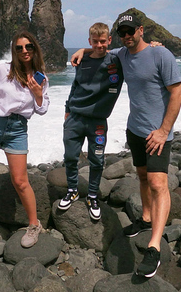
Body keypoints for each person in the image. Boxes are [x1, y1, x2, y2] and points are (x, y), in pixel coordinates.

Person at [71, 14, 181, 278]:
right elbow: (101, 49)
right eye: (122, 32)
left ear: (140, 30)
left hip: (158, 134)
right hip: (135, 130)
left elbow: (178, 93)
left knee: (158, 183)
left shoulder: (161, 55)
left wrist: (164, 131)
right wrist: (82, 50)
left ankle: (154, 246)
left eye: (130, 31)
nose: (127, 35)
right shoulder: (122, 55)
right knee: (142, 176)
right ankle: (145, 218)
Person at [0, 30, 50, 248]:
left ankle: (34, 225)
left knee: (20, 180)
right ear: (14, 51)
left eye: (28, 47)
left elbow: (43, 109)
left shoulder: (41, 78)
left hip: (17, 129)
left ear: (34, 48)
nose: (24, 51)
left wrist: (37, 93)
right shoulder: (3, 70)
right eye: (19, 48)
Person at [59, 22, 123, 221]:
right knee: (70, 156)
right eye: (95, 42)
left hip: (98, 121)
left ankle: (93, 195)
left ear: (109, 40)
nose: (99, 45)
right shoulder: (83, 59)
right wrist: (67, 109)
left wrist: (156, 46)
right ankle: (72, 190)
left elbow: (136, 51)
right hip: (76, 117)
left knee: (97, 161)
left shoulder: (116, 60)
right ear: (90, 41)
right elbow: (75, 85)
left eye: (103, 41)